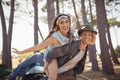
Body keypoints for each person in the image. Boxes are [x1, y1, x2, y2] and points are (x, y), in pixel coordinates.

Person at [11, 14, 74, 80]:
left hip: (61, 56)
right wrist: (21, 52)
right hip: (51, 56)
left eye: (67, 22)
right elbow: (39, 47)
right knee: (53, 77)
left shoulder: (71, 35)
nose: (65, 25)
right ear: (58, 25)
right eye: (61, 22)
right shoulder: (54, 37)